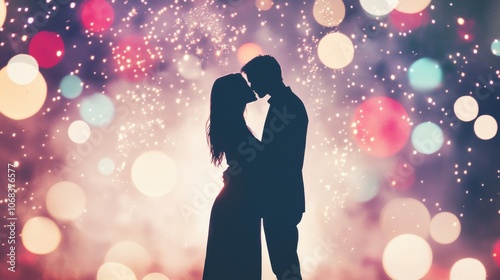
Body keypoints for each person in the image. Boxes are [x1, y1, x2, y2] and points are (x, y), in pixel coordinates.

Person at [241, 55, 308, 280]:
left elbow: (278, 155)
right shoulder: (286, 103)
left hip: (281, 196)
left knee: (284, 264)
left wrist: (246, 146)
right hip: (283, 196)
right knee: (284, 263)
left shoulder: (287, 105)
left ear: (265, 77)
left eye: (253, 80)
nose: (251, 85)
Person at [202, 73, 262, 280]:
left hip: (237, 202)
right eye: (244, 85)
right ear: (234, 95)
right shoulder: (235, 127)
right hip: (238, 205)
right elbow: (250, 166)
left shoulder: (234, 125)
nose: (249, 86)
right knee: (239, 266)